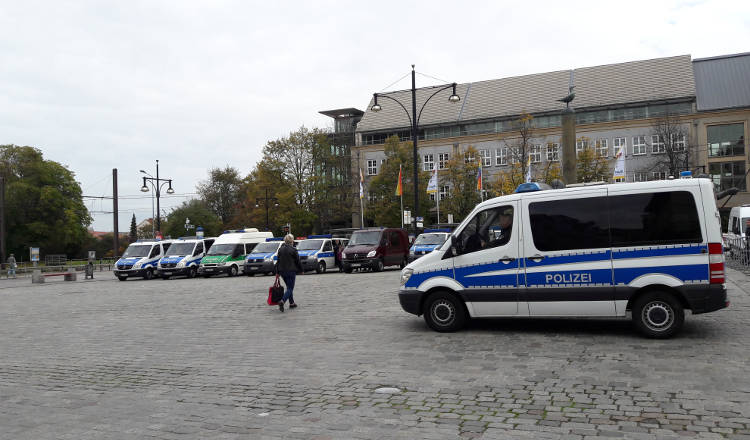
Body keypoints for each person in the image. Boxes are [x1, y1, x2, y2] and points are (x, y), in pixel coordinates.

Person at [276, 234, 303, 312]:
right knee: (290, 288)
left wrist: (277, 272)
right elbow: (298, 261)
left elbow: (278, 262)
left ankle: (292, 303)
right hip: (291, 271)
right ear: (292, 241)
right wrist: (301, 270)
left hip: (282, 272)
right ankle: (282, 301)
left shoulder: (280, 249)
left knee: (289, 287)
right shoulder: (293, 250)